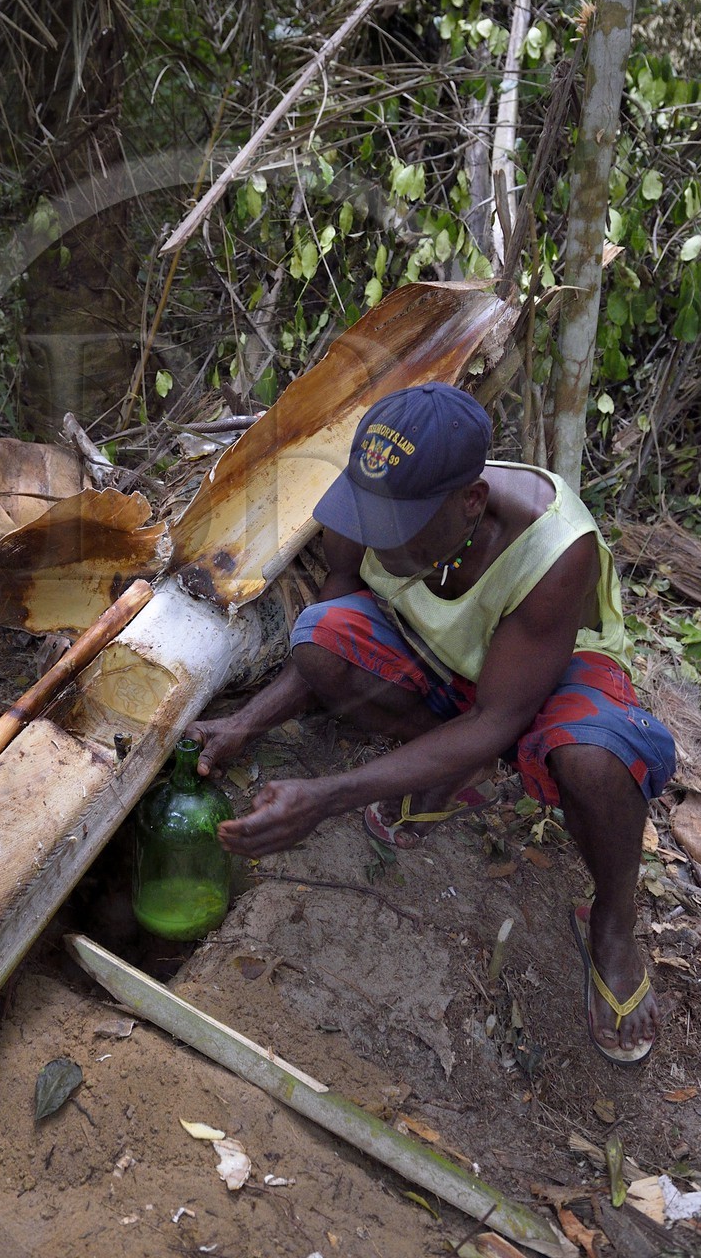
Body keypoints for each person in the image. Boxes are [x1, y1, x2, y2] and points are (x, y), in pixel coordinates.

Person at [189, 382, 675, 1065]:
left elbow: (496, 719)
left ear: (469, 503)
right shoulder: (363, 497)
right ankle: (450, 765)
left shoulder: (555, 551)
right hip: (438, 658)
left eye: (399, 531)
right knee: (319, 640)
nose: (376, 544)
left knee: (593, 760)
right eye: (367, 518)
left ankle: (615, 923)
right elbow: (337, 604)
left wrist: (328, 796)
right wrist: (247, 721)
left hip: (541, 675)